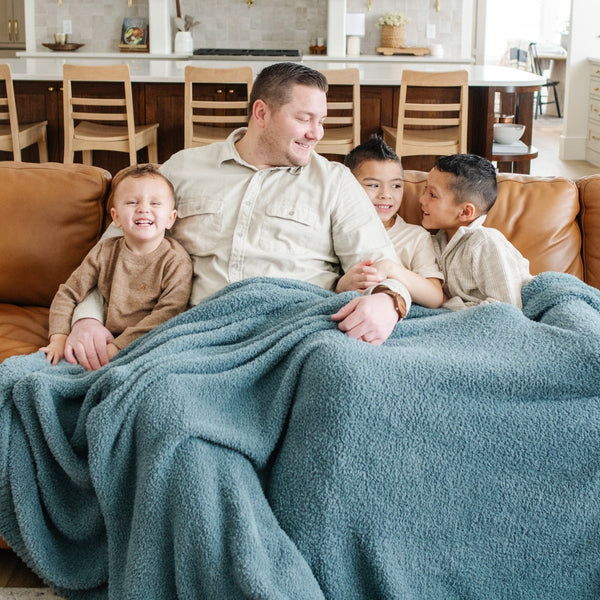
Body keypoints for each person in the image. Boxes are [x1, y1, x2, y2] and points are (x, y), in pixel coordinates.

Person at [65, 62, 412, 370]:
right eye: (304, 119)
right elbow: (113, 255)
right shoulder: (183, 169)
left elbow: (382, 265)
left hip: (296, 334)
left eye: (321, 121)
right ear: (261, 113)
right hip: (196, 336)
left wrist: (388, 302)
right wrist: (86, 320)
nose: (316, 133)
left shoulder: (334, 181)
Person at [40, 163, 193, 365]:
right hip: (102, 339)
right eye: (132, 202)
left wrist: (117, 348)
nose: (143, 209)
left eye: (155, 203)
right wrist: (58, 338)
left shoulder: (175, 261)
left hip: (147, 347)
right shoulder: (105, 252)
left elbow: (167, 315)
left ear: (170, 218)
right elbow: (68, 293)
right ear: (116, 217)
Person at [338, 136, 444, 309]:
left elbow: (435, 297)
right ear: (348, 186)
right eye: (373, 185)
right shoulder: (337, 231)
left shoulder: (415, 237)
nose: (386, 194)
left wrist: (390, 269)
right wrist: (341, 286)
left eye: (396, 186)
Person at [420, 153, 533, 310]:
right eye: (425, 190)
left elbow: (507, 309)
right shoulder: (434, 243)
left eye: (432, 195)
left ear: (466, 212)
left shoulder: (485, 242)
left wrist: (445, 303)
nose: (422, 200)